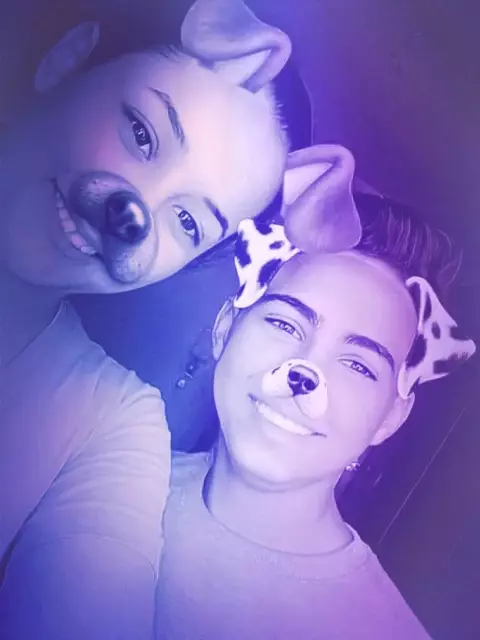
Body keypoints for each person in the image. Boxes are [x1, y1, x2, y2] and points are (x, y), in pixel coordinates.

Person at [0, 1, 362, 638]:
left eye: (189, 221)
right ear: (67, 62)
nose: (134, 211)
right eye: (142, 134)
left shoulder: (112, 422)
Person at [153, 163, 476, 639]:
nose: (305, 369)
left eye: (359, 365)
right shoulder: (101, 464)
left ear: (391, 416)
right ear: (225, 327)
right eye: (285, 324)